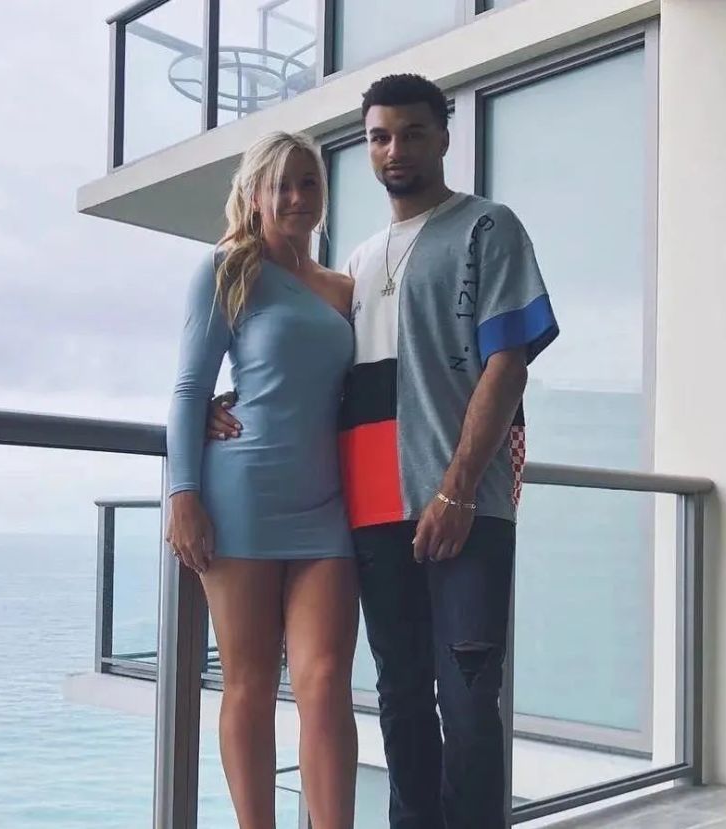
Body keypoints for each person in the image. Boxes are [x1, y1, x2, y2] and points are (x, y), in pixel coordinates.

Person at [208, 74, 559, 829]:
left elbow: (508, 365)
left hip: (465, 506)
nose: (395, 149)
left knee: (469, 699)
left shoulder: (487, 228)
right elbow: (313, 369)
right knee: (399, 698)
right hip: (369, 515)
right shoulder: (357, 264)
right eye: (379, 137)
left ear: (444, 137)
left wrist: (457, 488)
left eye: (412, 133)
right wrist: (228, 401)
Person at [165, 131, 359, 829]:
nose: (296, 197)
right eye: (280, 185)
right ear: (253, 195)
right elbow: (190, 389)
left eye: (308, 183)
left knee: (325, 682)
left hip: (327, 505)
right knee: (248, 684)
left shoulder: (344, 288)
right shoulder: (226, 268)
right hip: (240, 496)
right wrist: (183, 495)